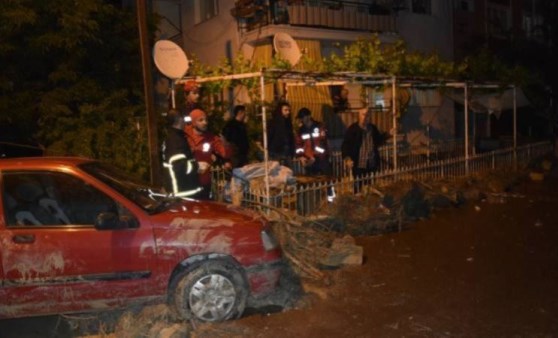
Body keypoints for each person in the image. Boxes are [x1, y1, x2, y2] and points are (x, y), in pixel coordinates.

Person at [185, 109, 231, 199]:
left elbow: (225, 154)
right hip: (187, 182)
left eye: (206, 120)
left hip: (204, 182)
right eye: (200, 120)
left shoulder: (211, 138)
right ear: (193, 122)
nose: (205, 123)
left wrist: (226, 145)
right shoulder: (184, 136)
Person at [295, 107, 335, 202]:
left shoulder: (320, 126)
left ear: (308, 116)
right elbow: (298, 145)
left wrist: (314, 156)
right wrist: (301, 157)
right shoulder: (301, 130)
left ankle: (331, 200)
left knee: (328, 180)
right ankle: (315, 202)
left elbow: (323, 144)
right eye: (300, 118)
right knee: (312, 182)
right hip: (310, 161)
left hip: (322, 159)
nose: (301, 120)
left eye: (302, 117)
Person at [161, 109, 202, 198]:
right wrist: (197, 166)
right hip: (182, 191)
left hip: (180, 189)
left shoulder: (173, 137)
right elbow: (179, 166)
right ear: (179, 119)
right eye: (184, 118)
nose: (186, 121)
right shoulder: (176, 140)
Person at [341, 108, 383, 192]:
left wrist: (389, 134)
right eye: (363, 114)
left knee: (370, 187)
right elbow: (346, 145)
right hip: (359, 164)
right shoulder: (353, 129)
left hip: (371, 163)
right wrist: (347, 158)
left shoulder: (372, 128)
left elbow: (379, 140)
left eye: (367, 115)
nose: (365, 117)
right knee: (358, 187)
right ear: (358, 116)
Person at [267, 101, 295, 167]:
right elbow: (269, 136)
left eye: (289, 110)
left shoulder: (288, 123)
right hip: (276, 153)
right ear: (280, 111)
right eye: (285, 110)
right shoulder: (273, 122)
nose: (288, 112)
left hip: (287, 154)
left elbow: (291, 138)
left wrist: (292, 152)